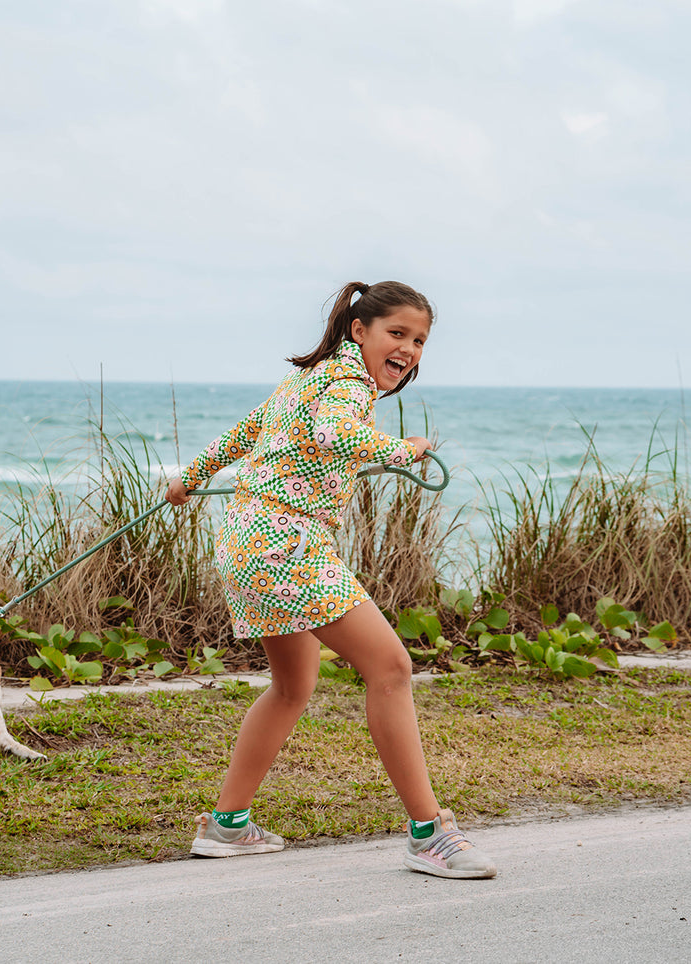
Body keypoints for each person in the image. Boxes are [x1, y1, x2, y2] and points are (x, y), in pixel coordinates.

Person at [165, 280, 497, 879]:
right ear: (358, 331)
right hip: (284, 544)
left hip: (249, 540)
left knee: (293, 686)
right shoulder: (344, 383)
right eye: (397, 334)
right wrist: (405, 449)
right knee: (392, 669)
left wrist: (190, 477)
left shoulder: (307, 380)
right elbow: (335, 435)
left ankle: (226, 825)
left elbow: (247, 431)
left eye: (420, 340)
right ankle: (430, 835)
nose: (410, 350)